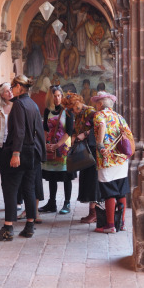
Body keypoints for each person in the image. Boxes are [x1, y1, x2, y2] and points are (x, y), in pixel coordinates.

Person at [0, 75, 46, 241]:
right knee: (28, 188)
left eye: (13, 86)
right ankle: (29, 226)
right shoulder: (32, 103)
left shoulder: (19, 104)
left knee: (10, 188)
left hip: (20, 152)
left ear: (20, 87)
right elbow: (38, 131)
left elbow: (19, 131)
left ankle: (8, 228)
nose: (11, 89)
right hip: (31, 153)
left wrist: (15, 153)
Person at [91, 91, 134, 233]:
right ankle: (121, 223)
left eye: (97, 103)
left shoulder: (99, 115)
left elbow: (102, 126)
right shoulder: (119, 117)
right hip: (121, 159)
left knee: (109, 191)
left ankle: (110, 225)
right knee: (121, 191)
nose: (96, 105)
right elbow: (128, 134)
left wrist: (100, 144)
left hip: (107, 159)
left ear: (100, 104)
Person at [61, 93, 101, 223]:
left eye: (74, 106)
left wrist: (84, 134)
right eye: (71, 108)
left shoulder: (91, 112)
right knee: (86, 181)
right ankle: (92, 212)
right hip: (83, 152)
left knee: (93, 182)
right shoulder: (77, 115)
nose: (73, 110)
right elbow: (74, 130)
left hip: (92, 151)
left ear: (79, 101)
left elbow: (99, 127)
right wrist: (72, 139)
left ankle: (94, 212)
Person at [38, 85, 75, 214]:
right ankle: (51, 203)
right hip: (51, 148)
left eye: (59, 95)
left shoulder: (68, 111)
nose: (57, 98)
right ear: (50, 97)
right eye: (54, 96)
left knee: (66, 176)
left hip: (64, 148)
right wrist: (45, 143)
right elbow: (45, 129)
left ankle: (67, 203)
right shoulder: (48, 111)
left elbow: (69, 131)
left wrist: (57, 145)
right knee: (51, 175)